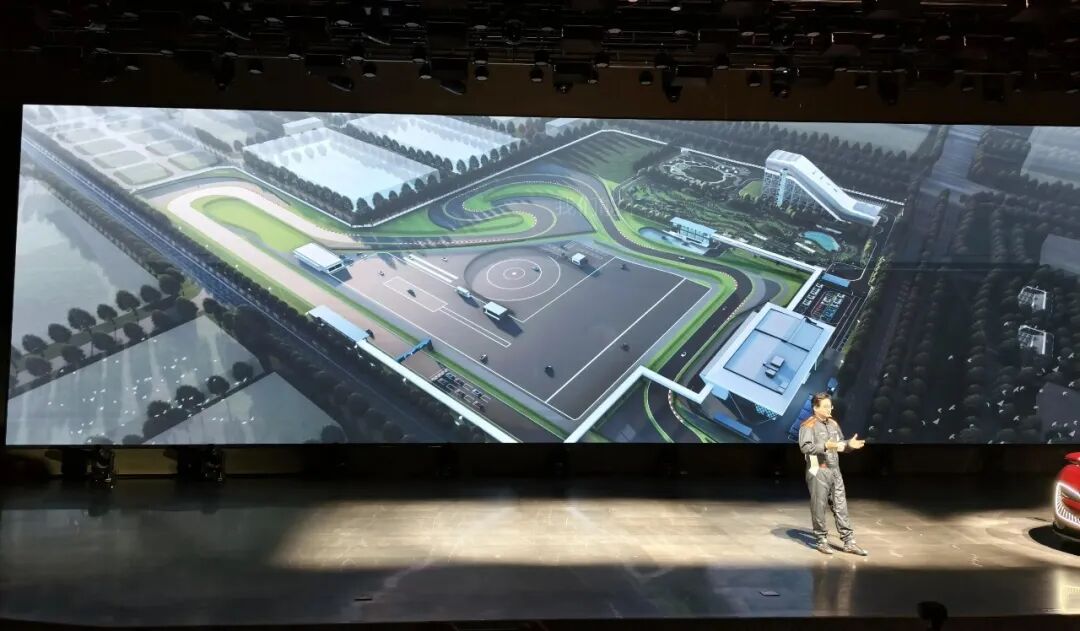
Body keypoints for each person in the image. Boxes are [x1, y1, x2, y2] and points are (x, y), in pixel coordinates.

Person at [798, 392, 868, 556]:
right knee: (819, 505)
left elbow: (840, 444)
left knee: (841, 505)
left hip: (834, 469)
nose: (829, 409)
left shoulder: (833, 424)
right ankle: (821, 540)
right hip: (818, 468)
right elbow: (805, 447)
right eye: (826, 406)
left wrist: (849, 445)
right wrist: (825, 445)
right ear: (816, 408)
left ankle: (849, 542)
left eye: (830, 406)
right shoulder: (808, 425)